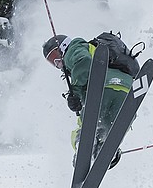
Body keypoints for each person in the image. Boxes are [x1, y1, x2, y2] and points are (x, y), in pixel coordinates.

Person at [42, 34, 133, 168]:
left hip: (102, 88)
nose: (57, 64)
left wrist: (76, 94)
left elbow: (84, 62)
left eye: (55, 57)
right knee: (109, 128)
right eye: (52, 62)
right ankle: (105, 150)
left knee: (85, 125)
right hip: (126, 90)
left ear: (62, 46)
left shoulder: (75, 47)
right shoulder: (98, 51)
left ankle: (81, 146)